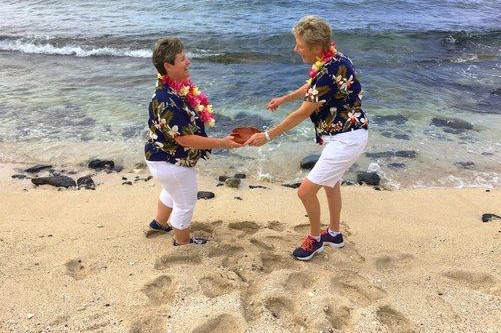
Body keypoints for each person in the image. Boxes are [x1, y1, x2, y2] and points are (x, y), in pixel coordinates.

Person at [246, 16, 368, 261]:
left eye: (299, 44)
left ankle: (315, 239)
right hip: (343, 136)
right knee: (331, 185)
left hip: (347, 139)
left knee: (305, 192)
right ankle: (334, 233)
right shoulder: (333, 60)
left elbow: (302, 113)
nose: (295, 49)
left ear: (316, 47)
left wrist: (267, 135)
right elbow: (310, 87)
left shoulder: (330, 70)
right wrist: (284, 98)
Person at [145, 37, 242, 246]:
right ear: (168, 66)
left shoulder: (173, 88)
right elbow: (184, 138)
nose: (188, 62)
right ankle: (182, 242)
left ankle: (159, 224)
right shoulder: (166, 100)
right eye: (182, 59)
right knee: (186, 203)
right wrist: (221, 143)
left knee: (171, 191)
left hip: (160, 157)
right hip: (171, 161)